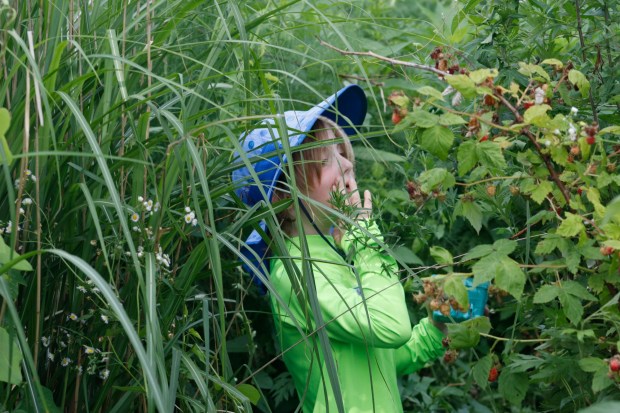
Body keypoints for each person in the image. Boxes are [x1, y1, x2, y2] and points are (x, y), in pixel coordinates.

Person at [232, 84, 446, 412]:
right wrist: (364, 237)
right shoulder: (295, 272)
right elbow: (392, 326)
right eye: (326, 158)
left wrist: (437, 327)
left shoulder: (338, 257)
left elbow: (382, 360)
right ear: (285, 200)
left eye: (343, 153)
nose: (347, 165)